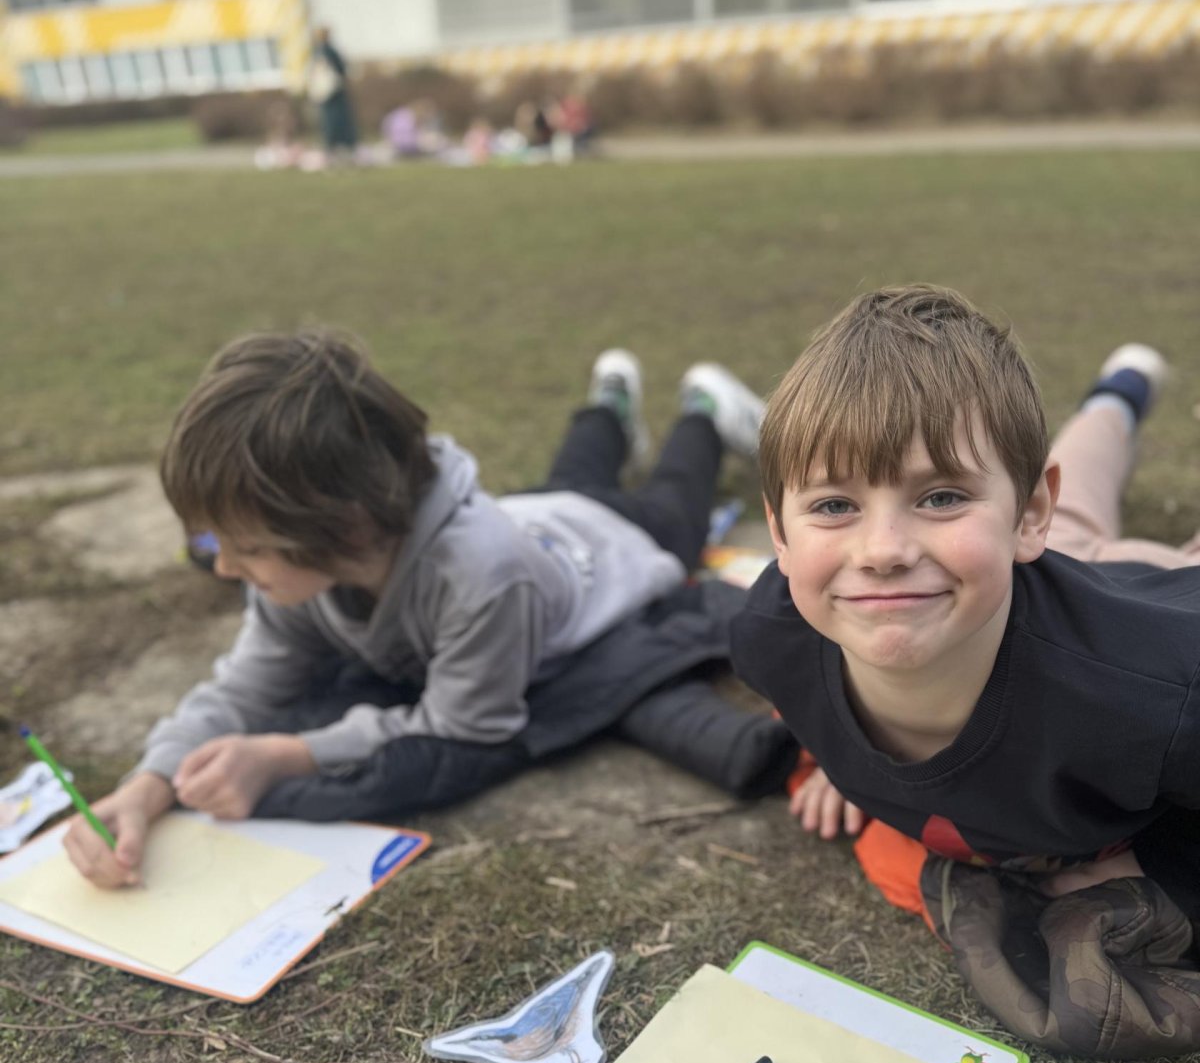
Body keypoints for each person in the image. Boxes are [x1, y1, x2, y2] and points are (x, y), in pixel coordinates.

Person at [65, 334, 777, 888]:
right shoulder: (308, 567)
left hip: (614, 546)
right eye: (217, 545)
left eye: (246, 549)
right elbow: (243, 688)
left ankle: (703, 413)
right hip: (539, 517)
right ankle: (610, 407)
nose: (224, 569)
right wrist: (148, 785)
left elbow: (462, 724)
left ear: (344, 527)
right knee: (572, 474)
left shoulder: (483, 578)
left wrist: (287, 754)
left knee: (674, 504)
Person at [732, 284, 1200, 921]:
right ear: (780, 536)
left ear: (1029, 513)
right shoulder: (770, 635)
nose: (882, 551)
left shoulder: (1160, 699)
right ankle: (1119, 392)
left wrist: (1165, 867)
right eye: (835, 505)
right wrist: (834, 757)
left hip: (1152, 598)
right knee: (1077, 520)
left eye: (941, 496)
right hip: (1013, 575)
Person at [307, 27, 358, 158]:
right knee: (338, 120)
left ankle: (331, 145)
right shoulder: (330, 51)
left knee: (328, 121)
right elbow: (341, 69)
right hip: (334, 93)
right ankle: (342, 145)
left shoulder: (316, 53)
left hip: (325, 94)